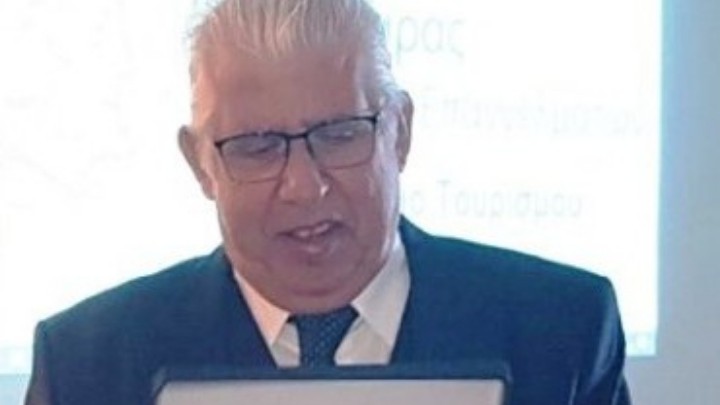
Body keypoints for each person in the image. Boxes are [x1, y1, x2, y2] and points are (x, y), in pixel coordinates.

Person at [24, 0, 631, 404]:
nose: (303, 186)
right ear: (200, 163)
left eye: (339, 135)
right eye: (257, 147)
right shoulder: (89, 362)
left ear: (400, 133)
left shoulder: (561, 329)